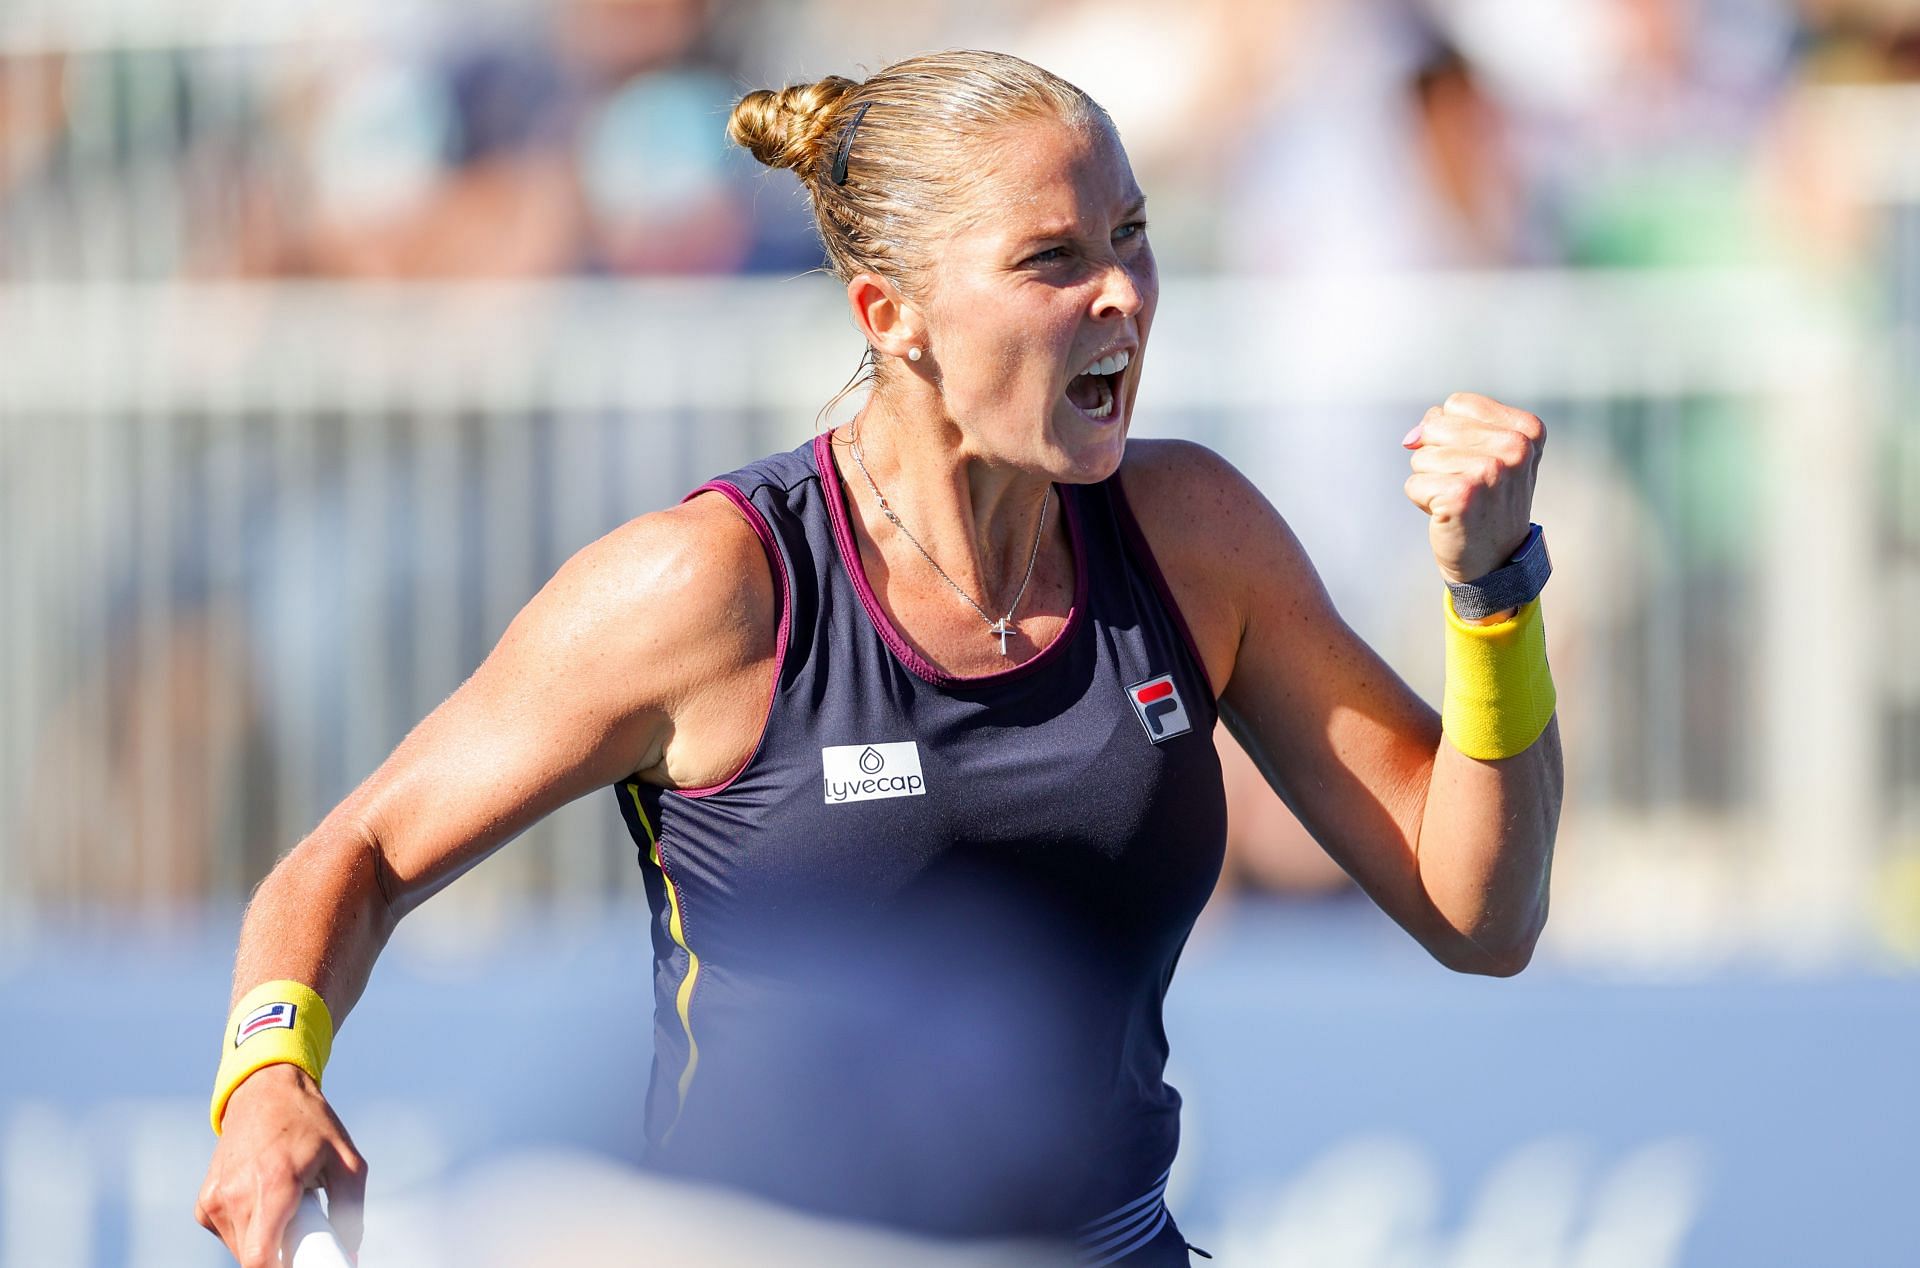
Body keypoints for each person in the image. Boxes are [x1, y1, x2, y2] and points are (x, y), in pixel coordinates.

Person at [194, 50, 1563, 1268]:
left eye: (1132, 238)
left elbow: (1479, 915)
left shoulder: (1195, 534)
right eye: (1051, 260)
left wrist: (1491, 594)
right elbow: (352, 856)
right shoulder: (712, 586)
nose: (1120, 298)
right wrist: (267, 1076)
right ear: (887, 316)